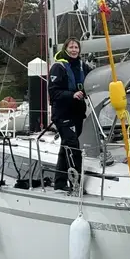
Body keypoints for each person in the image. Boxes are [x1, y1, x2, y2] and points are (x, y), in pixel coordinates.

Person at [48, 37, 93, 192]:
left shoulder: (83, 66)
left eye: (76, 47)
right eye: (71, 47)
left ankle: (59, 182)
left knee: (66, 145)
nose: (74, 50)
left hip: (78, 113)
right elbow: (53, 93)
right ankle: (76, 183)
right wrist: (71, 95)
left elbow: (92, 81)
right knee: (73, 145)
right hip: (63, 113)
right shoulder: (58, 68)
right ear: (66, 48)